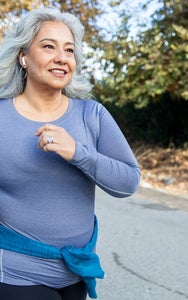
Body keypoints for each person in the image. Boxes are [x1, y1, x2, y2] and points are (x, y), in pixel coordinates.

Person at [0, 7, 140, 300]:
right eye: (48, 46)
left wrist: (78, 152)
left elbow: (128, 182)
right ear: (23, 57)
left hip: (76, 273)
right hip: (16, 275)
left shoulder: (93, 114)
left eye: (69, 50)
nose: (62, 58)